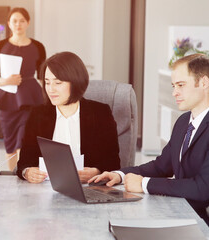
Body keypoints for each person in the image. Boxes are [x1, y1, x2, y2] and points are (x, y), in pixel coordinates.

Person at [90, 53, 209, 224]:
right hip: (180, 213)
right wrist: (121, 175)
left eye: (181, 85)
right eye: (173, 86)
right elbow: (162, 166)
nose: (175, 93)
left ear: (204, 82)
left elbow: (202, 188)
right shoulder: (184, 122)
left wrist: (145, 184)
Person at [17, 51, 121, 183]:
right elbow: (24, 163)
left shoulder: (100, 113)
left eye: (58, 83)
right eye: (47, 82)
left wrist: (97, 172)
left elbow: (114, 162)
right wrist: (28, 172)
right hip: (45, 191)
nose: (50, 89)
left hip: (88, 191)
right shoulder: (38, 114)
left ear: (75, 82)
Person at [0, 7, 46, 171]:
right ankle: (12, 174)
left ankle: (24, 172)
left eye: (22, 21)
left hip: (31, 97)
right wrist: (6, 80)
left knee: (26, 138)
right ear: (9, 24)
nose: (18, 24)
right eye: (14, 21)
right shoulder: (0, 46)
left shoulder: (38, 46)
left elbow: (43, 76)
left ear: (28, 23)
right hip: (8, 97)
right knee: (11, 140)